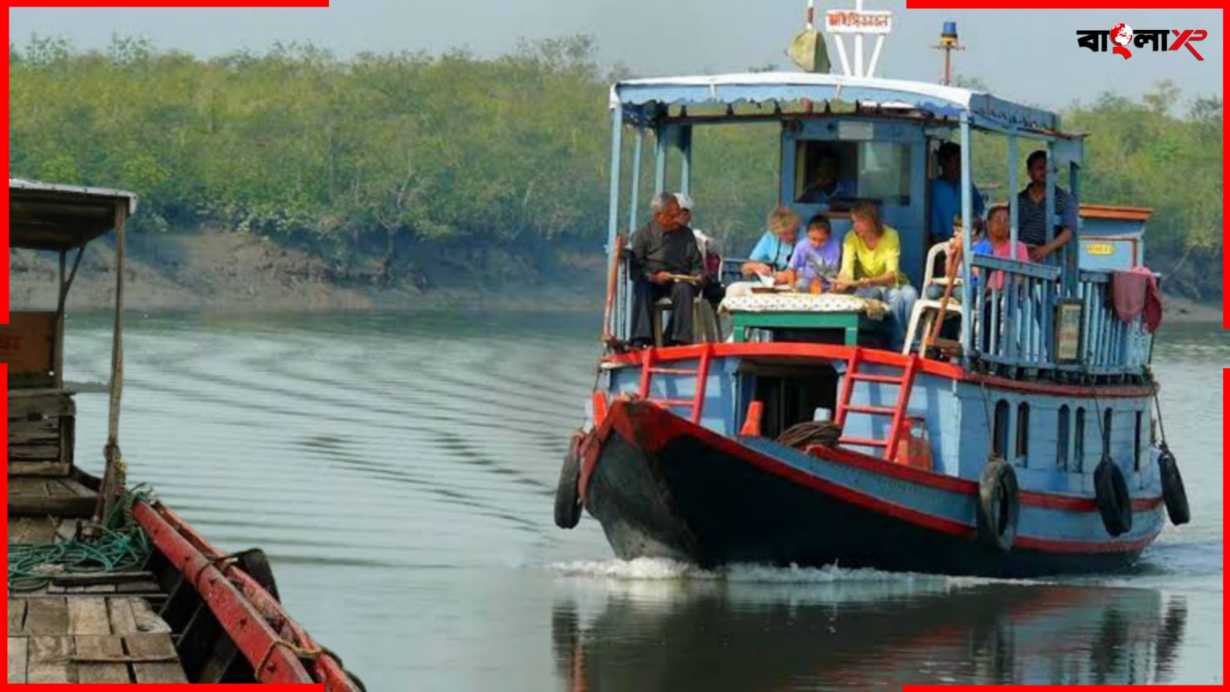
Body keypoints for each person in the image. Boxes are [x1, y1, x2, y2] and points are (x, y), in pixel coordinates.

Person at [832, 201, 918, 351]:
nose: (855, 226)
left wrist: (872, 280)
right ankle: (898, 345)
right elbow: (847, 270)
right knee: (895, 297)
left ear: (871, 220)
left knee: (910, 294)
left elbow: (892, 275)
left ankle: (912, 342)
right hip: (867, 288)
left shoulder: (890, 235)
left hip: (888, 283)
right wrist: (840, 283)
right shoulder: (851, 238)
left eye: (859, 221)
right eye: (853, 222)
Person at [628, 192, 704, 348]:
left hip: (678, 281)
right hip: (653, 281)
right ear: (658, 216)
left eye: (678, 215)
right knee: (642, 288)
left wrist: (698, 276)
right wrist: (654, 277)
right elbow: (636, 270)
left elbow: (697, 264)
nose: (677, 220)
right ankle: (641, 340)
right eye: (672, 216)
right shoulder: (642, 235)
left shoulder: (686, 234)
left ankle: (679, 341)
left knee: (684, 289)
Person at [1017, 149, 1078, 262]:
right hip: (1019, 255)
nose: (1045, 172)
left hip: (1048, 258)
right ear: (1029, 172)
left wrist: (1045, 249)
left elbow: (1069, 230)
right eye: (1040, 168)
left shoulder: (1064, 198)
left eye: (1049, 169)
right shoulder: (1018, 199)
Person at [929, 142, 985, 246]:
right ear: (943, 162)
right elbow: (933, 225)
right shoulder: (934, 188)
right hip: (943, 243)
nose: (961, 165)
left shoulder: (967, 185)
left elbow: (980, 208)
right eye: (957, 161)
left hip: (967, 241)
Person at [675, 192, 724, 305]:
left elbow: (699, 263)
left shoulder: (692, 236)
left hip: (692, 284)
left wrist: (699, 274)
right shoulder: (658, 236)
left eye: (687, 212)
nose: (687, 216)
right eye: (683, 212)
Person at [784, 214, 841, 292]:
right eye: (813, 239)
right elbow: (791, 269)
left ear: (828, 236)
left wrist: (832, 292)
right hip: (807, 283)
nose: (817, 244)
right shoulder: (802, 246)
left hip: (826, 284)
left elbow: (834, 273)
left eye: (822, 240)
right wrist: (792, 289)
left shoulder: (834, 245)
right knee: (801, 285)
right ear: (807, 234)